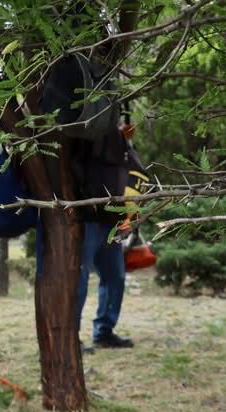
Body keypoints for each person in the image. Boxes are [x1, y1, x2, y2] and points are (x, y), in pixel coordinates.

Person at [77, 123, 136, 352]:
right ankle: (70, 336)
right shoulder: (80, 124)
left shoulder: (118, 138)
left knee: (115, 278)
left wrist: (123, 138)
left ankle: (104, 332)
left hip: (113, 217)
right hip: (87, 215)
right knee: (79, 278)